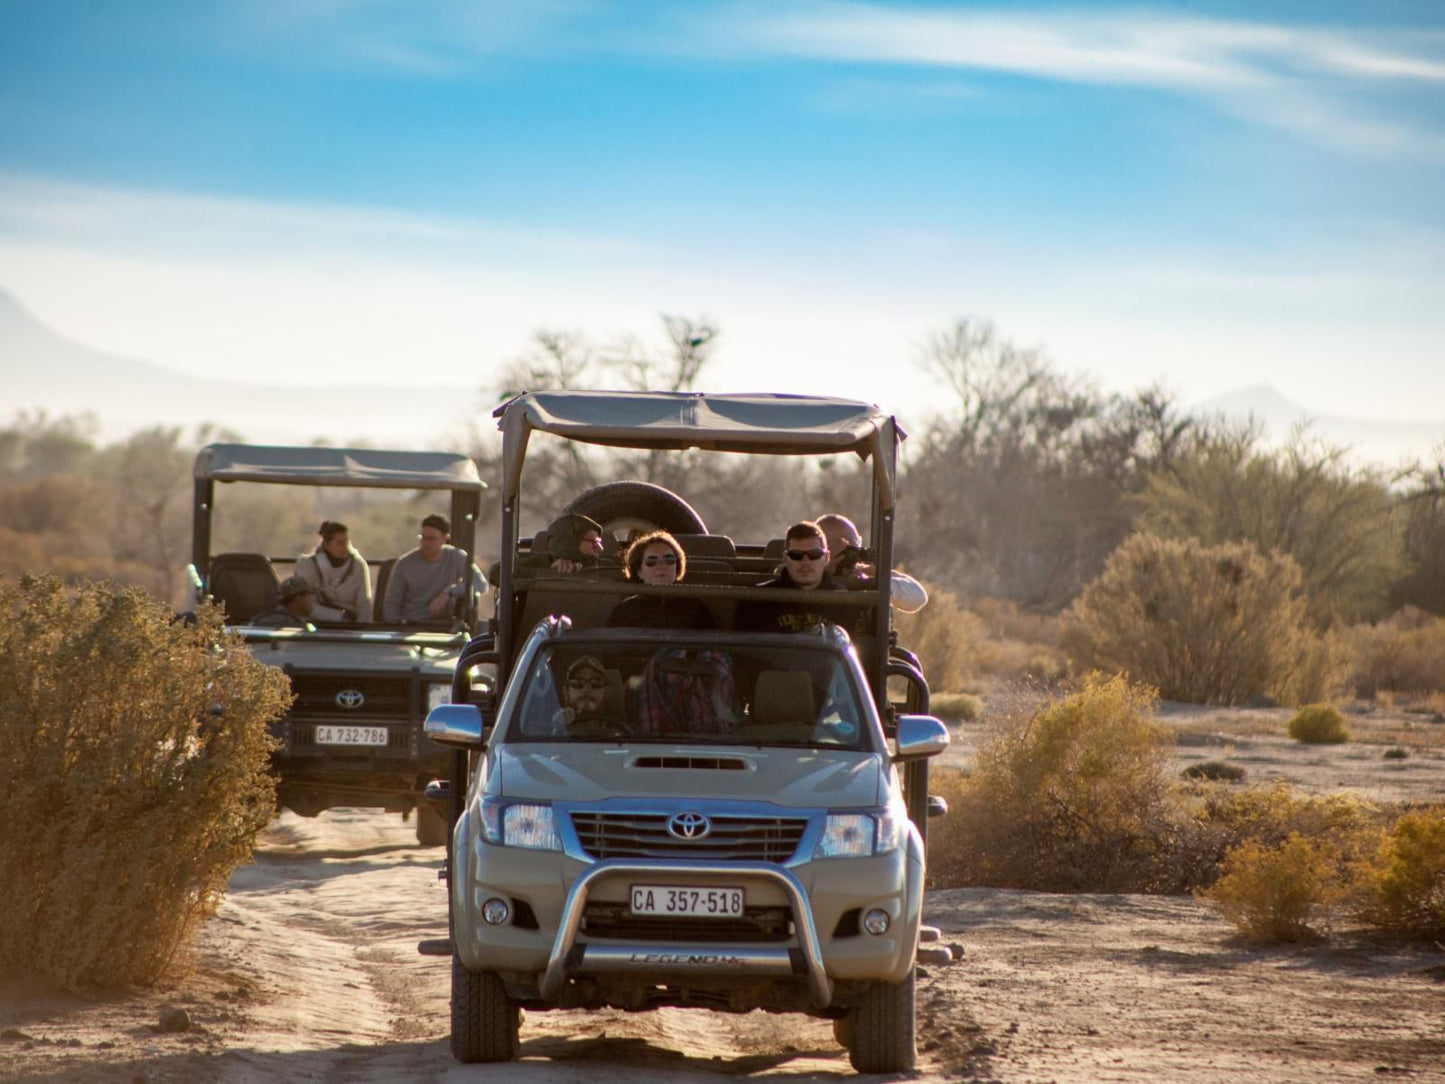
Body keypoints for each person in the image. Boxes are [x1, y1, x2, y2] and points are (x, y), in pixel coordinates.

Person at [734, 520, 848, 634]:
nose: (805, 562)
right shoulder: (756, 601)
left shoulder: (847, 602)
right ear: (785, 558)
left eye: (814, 554)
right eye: (796, 555)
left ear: (827, 557)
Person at [816, 513, 928, 613]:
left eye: (852, 543)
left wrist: (875, 576)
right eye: (835, 544)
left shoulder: (866, 577)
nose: (847, 549)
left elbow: (918, 598)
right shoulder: (808, 577)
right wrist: (825, 574)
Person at [383, 513, 486, 623]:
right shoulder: (404, 564)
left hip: (445, 627)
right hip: (411, 624)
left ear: (445, 538)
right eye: (423, 537)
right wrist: (396, 625)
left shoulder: (456, 557)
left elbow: (480, 584)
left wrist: (449, 592)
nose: (426, 543)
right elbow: (392, 603)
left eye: (432, 538)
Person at [607, 530, 714, 629]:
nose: (661, 565)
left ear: (677, 567)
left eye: (669, 560)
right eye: (651, 561)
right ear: (638, 571)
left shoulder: (696, 609)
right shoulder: (625, 611)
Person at [294, 520, 373, 622]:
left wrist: (361, 630)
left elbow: (363, 604)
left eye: (346, 542)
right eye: (340, 543)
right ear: (327, 545)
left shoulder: (358, 566)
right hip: (315, 624)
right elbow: (306, 604)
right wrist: (338, 617)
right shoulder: (307, 565)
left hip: (350, 625)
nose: (345, 547)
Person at [551, 655, 625, 733]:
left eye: (596, 683)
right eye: (578, 682)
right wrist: (557, 730)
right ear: (565, 693)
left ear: (607, 692)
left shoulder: (627, 736)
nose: (587, 689)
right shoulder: (545, 736)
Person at [252, 576, 317, 629]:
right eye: (309, 595)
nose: (312, 599)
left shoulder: (268, 618)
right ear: (298, 597)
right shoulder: (281, 622)